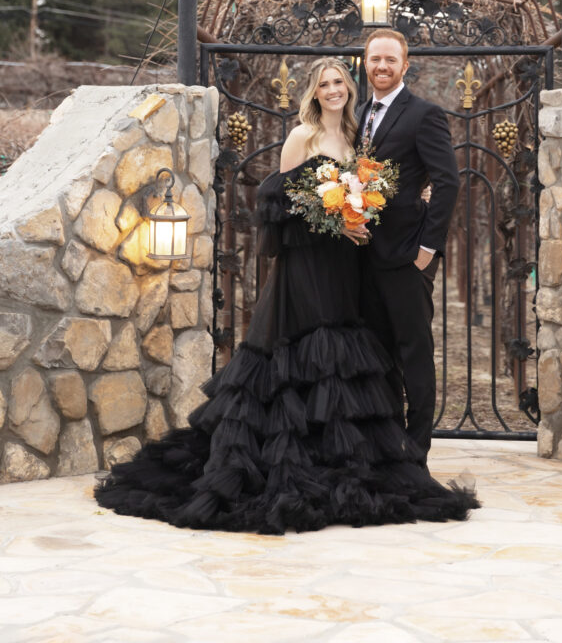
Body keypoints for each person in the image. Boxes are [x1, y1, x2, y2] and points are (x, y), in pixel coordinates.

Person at [94, 57, 477, 534]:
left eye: (339, 82)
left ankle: (336, 453)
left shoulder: (357, 139)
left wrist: (370, 214)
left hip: (348, 264)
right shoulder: (303, 137)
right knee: (302, 351)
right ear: (313, 93)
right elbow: (276, 204)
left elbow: (385, 189)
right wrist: (334, 216)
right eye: (324, 84)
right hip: (308, 264)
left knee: (343, 357)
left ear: (349, 90)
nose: (334, 89)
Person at [356, 31, 460, 464]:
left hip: (406, 257)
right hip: (362, 257)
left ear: (405, 64)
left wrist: (427, 251)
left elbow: (448, 181)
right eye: (375, 58)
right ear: (365, 63)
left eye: (390, 60)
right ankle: (385, 441)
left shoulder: (424, 114)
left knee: (414, 354)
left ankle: (415, 453)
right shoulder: (359, 114)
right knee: (377, 352)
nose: (382, 66)